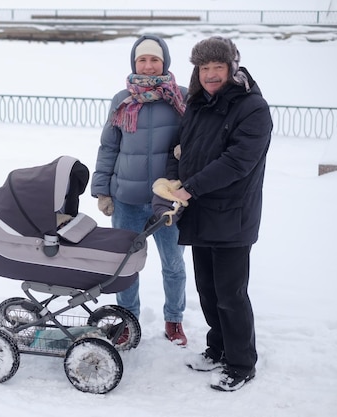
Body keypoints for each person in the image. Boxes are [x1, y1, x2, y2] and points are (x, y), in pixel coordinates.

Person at [166, 36, 272, 391]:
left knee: (231, 294)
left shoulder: (252, 107)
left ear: (232, 67)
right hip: (199, 211)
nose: (211, 74)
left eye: (218, 67)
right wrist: (171, 178)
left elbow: (238, 161)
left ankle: (242, 363)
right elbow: (180, 147)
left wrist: (190, 186)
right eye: (204, 68)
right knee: (208, 291)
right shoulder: (197, 103)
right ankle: (218, 348)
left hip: (232, 215)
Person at [91, 34, 189, 345]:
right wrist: (102, 191)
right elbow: (109, 147)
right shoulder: (121, 99)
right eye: (142, 60)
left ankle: (174, 320)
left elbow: (197, 142)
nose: (148, 66)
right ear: (135, 63)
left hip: (168, 202)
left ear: (165, 62)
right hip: (127, 200)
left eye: (154, 60)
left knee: (173, 264)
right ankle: (127, 321)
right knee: (124, 267)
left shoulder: (182, 98)